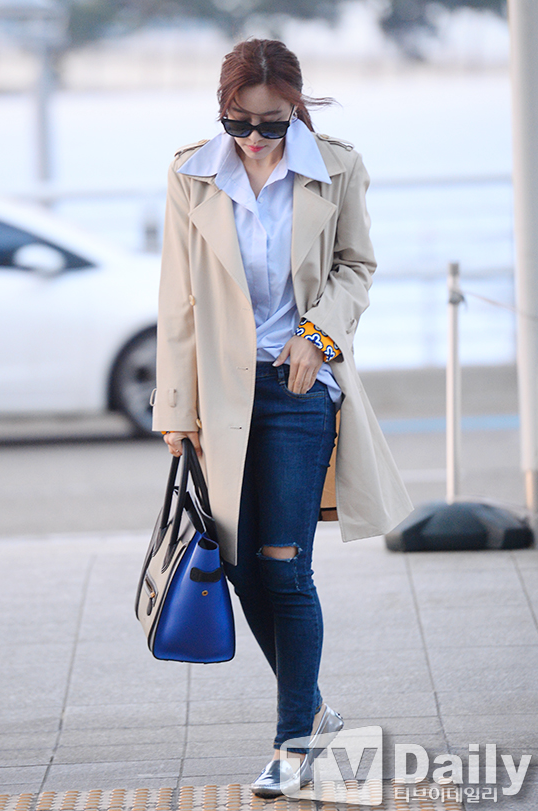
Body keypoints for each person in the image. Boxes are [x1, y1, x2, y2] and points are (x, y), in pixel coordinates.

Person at [152, 38, 412, 797]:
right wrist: (176, 410)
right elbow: (178, 300)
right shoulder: (191, 174)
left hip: (300, 389)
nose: (255, 138)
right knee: (237, 566)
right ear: (223, 111)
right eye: (239, 123)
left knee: (283, 565)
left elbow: (356, 267)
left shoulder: (336, 166)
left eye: (271, 122)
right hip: (221, 398)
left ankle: (294, 743)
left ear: (296, 107)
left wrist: (317, 334)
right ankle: (318, 710)